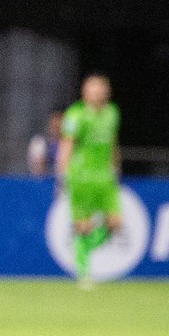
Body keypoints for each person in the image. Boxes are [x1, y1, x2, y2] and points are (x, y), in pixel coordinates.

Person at [57, 74, 122, 287]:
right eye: (93, 89)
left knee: (115, 223)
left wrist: (116, 167)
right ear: (85, 92)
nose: (98, 93)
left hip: (105, 178)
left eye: (101, 89)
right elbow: (66, 146)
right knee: (84, 226)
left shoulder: (112, 113)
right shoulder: (75, 115)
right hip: (82, 177)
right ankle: (84, 271)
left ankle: (81, 250)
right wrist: (61, 176)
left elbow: (113, 143)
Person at [28, 110, 64, 178]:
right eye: (53, 125)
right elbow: (37, 169)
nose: (56, 127)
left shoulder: (69, 143)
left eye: (58, 124)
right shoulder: (39, 141)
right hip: (43, 182)